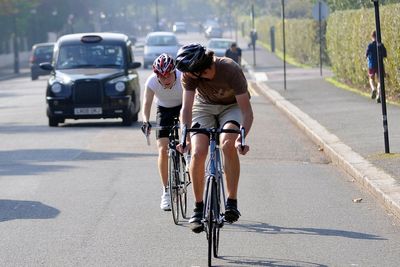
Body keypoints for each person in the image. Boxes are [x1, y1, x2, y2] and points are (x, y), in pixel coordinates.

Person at [175, 43, 253, 233]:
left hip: (231, 107)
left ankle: (232, 201)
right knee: (198, 152)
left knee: (227, 143)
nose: (198, 77)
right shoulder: (190, 75)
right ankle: (198, 208)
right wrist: (185, 137)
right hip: (204, 107)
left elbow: (247, 112)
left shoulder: (230, 69)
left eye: (200, 73)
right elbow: (186, 108)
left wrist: (241, 140)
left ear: (205, 68)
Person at [141, 53, 183, 211]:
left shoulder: (183, 78)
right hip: (163, 109)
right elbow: (147, 103)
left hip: (182, 107)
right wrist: (145, 121)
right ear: (156, 75)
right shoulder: (152, 81)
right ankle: (166, 191)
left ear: (174, 73)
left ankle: (187, 158)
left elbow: (190, 105)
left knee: (189, 136)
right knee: (163, 149)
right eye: (162, 77)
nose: (165, 81)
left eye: (168, 77)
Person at [365, 30, 387, 103]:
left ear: (372, 37)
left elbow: (366, 55)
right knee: (380, 80)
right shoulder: (381, 45)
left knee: (371, 78)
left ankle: (373, 88)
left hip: (371, 64)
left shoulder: (370, 45)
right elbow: (385, 55)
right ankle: (378, 95)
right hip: (379, 64)